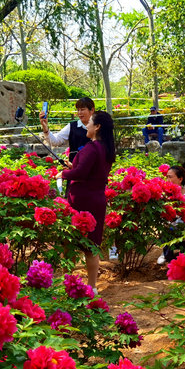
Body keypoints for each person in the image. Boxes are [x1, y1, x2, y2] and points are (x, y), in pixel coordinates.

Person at [56, 111, 116, 291]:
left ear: (97, 127)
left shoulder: (92, 147)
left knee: (70, 243)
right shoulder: (106, 148)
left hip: (82, 200)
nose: (86, 125)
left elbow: (81, 174)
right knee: (92, 245)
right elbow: (90, 171)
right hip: (97, 199)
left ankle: (67, 283)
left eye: (89, 122)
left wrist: (64, 173)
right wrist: (74, 167)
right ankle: (92, 287)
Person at [40, 97, 94, 162]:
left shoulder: (99, 126)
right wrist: (45, 128)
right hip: (75, 168)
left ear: (92, 110)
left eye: (82, 109)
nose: (79, 113)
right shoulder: (72, 126)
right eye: (78, 110)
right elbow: (55, 141)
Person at [157, 165, 185, 265]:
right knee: (167, 226)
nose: (167, 179)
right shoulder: (165, 194)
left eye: (170, 177)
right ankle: (166, 253)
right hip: (170, 224)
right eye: (167, 177)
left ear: (180, 179)